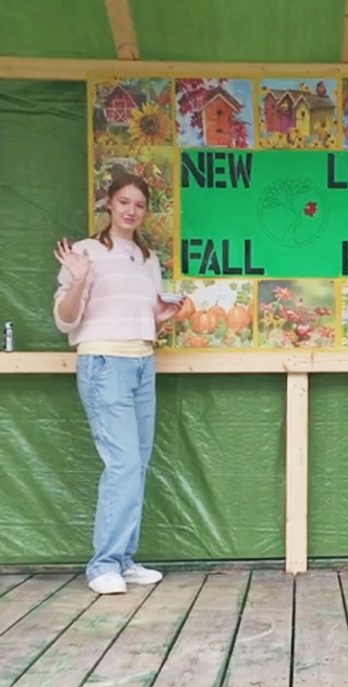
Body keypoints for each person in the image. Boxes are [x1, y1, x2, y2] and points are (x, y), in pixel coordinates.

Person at [53, 172, 184, 595]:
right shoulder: (85, 253)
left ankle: (124, 560)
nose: (131, 210)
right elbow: (65, 319)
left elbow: (141, 318)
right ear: (109, 203)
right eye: (124, 201)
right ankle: (103, 564)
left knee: (137, 464)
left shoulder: (148, 259)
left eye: (139, 205)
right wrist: (76, 279)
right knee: (123, 464)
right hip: (104, 363)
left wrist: (161, 319)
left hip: (142, 363)